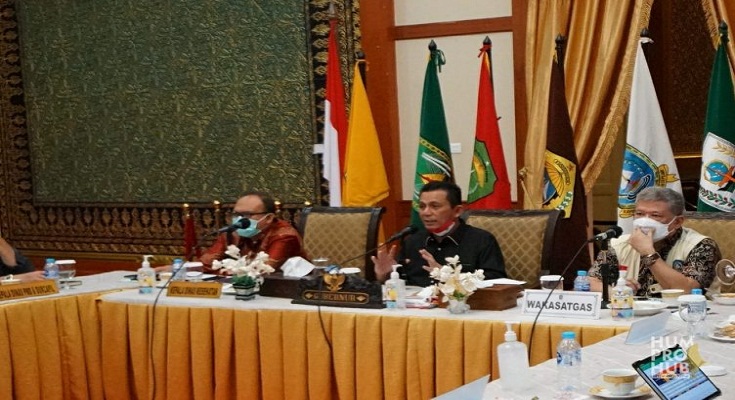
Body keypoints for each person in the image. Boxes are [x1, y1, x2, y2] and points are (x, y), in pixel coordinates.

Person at [588, 187, 720, 296]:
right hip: (631, 314)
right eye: (639, 214)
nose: (645, 221)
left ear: (677, 222)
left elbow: (687, 291)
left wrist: (648, 253)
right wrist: (616, 291)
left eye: (655, 215)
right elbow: (589, 282)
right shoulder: (618, 244)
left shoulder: (702, 246)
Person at [372, 181, 506, 287]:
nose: (426, 213)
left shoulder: (481, 240)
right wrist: (386, 275)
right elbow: (402, 283)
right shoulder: (413, 241)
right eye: (422, 206)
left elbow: (497, 281)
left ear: (457, 211)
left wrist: (450, 277)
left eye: (435, 206)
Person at [199, 191, 308, 271]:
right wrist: (226, 271)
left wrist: (227, 271)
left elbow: (263, 270)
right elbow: (204, 263)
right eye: (237, 214)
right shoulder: (233, 232)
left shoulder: (284, 235)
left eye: (247, 214)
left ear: (269, 218)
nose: (240, 220)